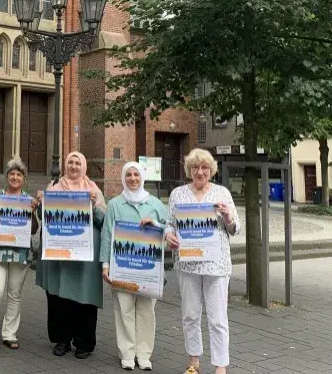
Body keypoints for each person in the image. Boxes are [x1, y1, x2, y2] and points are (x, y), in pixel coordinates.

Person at [164, 148, 240, 374]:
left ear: (211, 170)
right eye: (195, 167)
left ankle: (220, 365)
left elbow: (236, 228)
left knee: (217, 317)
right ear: (189, 170)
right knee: (190, 314)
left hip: (216, 265)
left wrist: (227, 216)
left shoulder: (222, 193)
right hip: (188, 263)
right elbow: (170, 223)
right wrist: (169, 235)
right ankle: (193, 359)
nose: (200, 172)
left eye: (204, 167)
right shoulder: (178, 194)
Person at [35, 151, 106, 359]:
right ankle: (62, 340)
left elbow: (104, 219)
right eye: (71, 162)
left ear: (83, 167)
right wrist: (41, 203)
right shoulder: (55, 189)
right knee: (60, 299)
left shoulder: (94, 190)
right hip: (61, 256)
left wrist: (93, 207)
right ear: (66, 165)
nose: (74, 166)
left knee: (84, 298)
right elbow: (43, 217)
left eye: (78, 163)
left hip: (86, 258)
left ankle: (84, 342)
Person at [100, 162, 169, 371]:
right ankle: (127, 353)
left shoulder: (156, 205)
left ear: (142, 177)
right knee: (124, 310)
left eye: (136, 175)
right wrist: (105, 265)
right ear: (123, 178)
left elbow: (169, 232)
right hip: (123, 267)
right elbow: (107, 234)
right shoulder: (114, 205)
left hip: (148, 269)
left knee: (147, 312)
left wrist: (157, 227)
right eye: (128, 175)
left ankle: (144, 353)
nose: (132, 178)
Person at [0, 159, 39, 354]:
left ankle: (9, 334)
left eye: (19, 175)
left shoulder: (28, 201)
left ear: (23, 179)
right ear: (7, 176)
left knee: (15, 294)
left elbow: (34, 230)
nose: (15, 177)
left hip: (20, 253)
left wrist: (33, 214)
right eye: (12, 174)